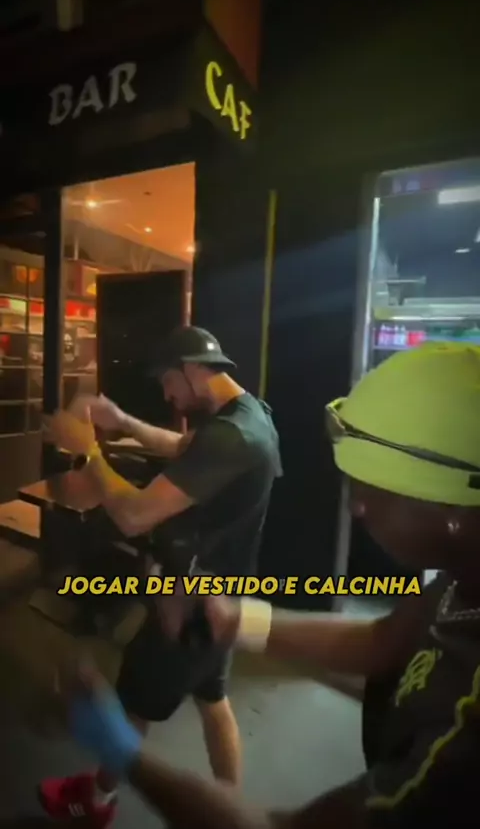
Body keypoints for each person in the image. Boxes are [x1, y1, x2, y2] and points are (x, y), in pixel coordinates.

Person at [65, 342, 480, 827]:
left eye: (375, 491)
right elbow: (383, 640)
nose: (357, 507)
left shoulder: (461, 736)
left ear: (453, 512)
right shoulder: (459, 581)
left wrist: (121, 749)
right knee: (213, 702)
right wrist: (236, 619)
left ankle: (100, 796)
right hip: (210, 590)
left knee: (154, 702)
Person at [41, 325, 282, 826]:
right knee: (213, 700)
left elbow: (133, 515)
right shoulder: (248, 416)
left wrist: (88, 450)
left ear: (192, 370)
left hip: (187, 604)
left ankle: (97, 801)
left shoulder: (232, 436)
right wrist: (124, 421)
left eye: (168, 382)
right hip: (224, 596)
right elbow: (184, 447)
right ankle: (230, 812)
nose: (167, 394)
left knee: (132, 704)